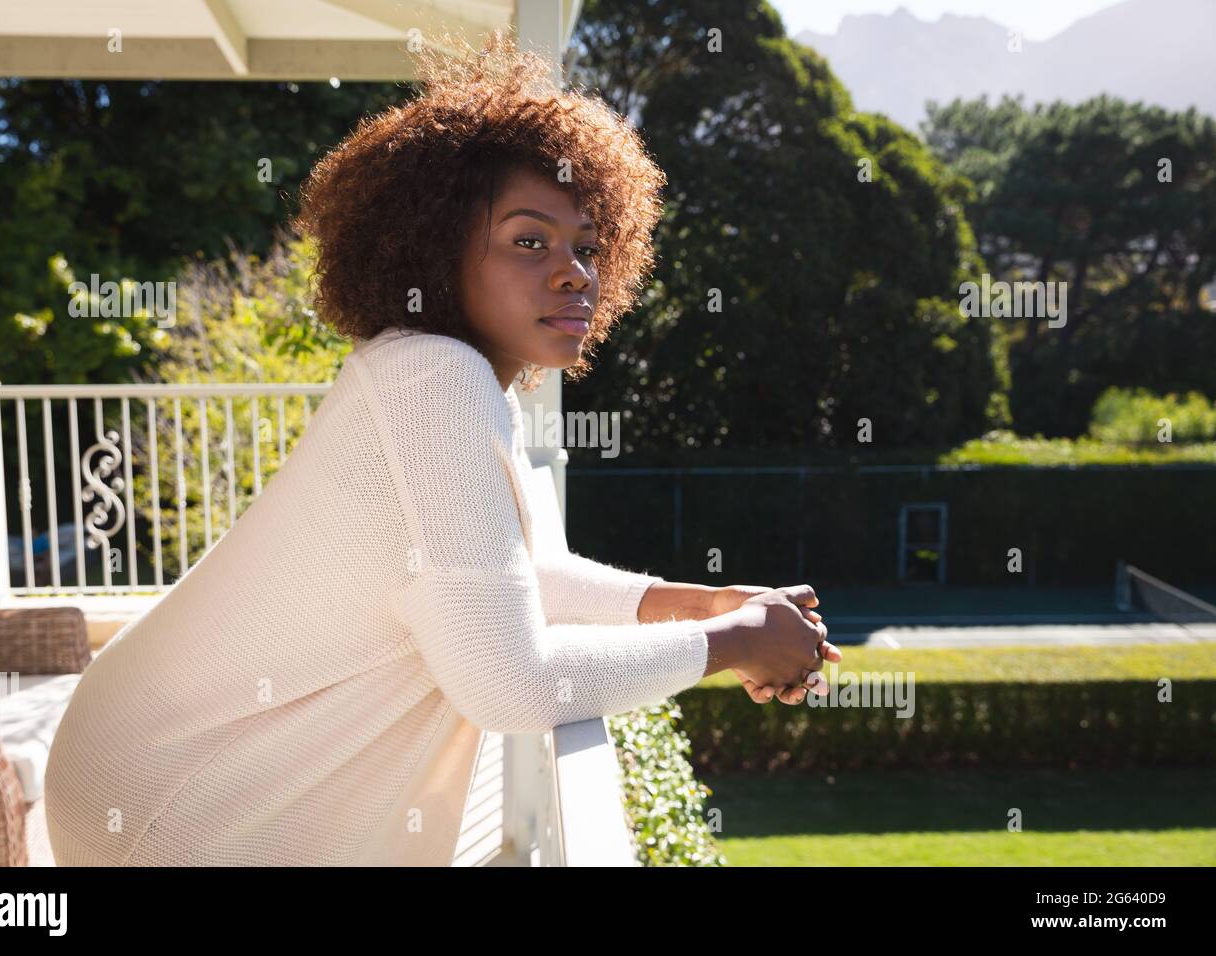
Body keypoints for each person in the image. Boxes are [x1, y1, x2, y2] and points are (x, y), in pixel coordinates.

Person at [44, 30, 837, 867]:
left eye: (589, 247)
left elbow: (519, 579)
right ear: (432, 244)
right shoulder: (435, 379)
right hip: (171, 803)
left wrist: (706, 603)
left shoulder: (446, 379)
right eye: (530, 241)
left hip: (138, 766)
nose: (575, 273)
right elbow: (509, 683)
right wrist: (738, 642)